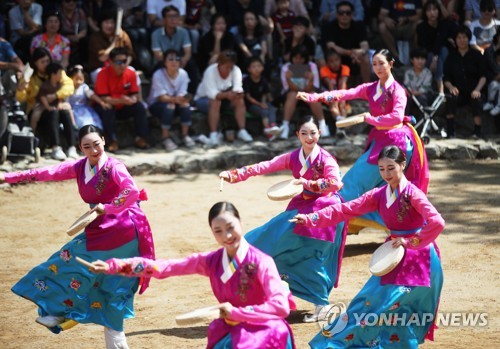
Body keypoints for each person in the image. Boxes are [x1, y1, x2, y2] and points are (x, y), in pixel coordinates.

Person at [0, 124, 155, 349]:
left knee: (67, 260)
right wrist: (9, 177)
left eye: (97, 144)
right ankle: (110, 340)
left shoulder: (114, 166)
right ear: (80, 148)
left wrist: (108, 207)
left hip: (123, 229)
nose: (93, 150)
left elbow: (130, 191)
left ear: (104, 141)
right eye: (87, 146)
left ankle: (56, 312)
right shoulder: (79, 167)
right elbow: (45, 173)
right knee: (109, 291)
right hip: (102, 228)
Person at [88, 201, 296, 349]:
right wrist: (114, 266)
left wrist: (236, 313)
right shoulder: (211, 261)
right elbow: (163, 267)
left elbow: (280, 307)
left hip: (265, 332)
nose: (227, 236)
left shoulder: (261, 261)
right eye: (218, 231)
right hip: (231, 330)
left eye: (231, 227)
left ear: (241, 223)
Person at [293, 145, 444, 348]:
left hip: (419, 259)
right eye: (382, 169)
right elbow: (347, 209)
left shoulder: (412, 194)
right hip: (394, 255)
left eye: (391, 168)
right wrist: (312, 218)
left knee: (386, 306)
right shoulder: (380, 194)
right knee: (372, 304)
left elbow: (437, 222)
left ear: (403, 164)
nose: (386, 174)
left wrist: (411, 242)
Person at [219, 115, 348, 322]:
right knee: (269, 241)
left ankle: (321, 305)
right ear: (297, 134)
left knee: (313, 256)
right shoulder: (293, 157)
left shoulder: (326, 159)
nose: (309, 137)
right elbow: (264, 166)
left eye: (313, 133)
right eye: (304, 133)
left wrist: (308, 184)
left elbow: (335, 184)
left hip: (324, 212)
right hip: (303, 208)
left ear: (320, 134)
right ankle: (274, 296)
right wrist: (234, 175)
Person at [297, 49, 429, 233]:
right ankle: (401, 227)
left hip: (396, 142)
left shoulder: (398, 90)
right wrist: (314, 97)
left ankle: (326, 226)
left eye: (381, 63)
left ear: (391, 64)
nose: (377, 68)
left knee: (354, 184)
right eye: (374, 64)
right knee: (382, 190)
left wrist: (370, 119)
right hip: (381, 140)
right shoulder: (371, 88)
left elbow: (397, 117)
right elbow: (344, 94)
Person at [16, 47, 76, 161]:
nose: (46, 64)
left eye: (47, 61)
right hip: (37, 109)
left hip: (57, 105)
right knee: (53, 113)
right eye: (42, 62)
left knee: (65, 112)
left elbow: (69, 86)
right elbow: (21, 98)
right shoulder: (30, 77)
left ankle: (71, 147)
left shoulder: (56, 71)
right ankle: (56, 148)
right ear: (35, 63)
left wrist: (55, 96)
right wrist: (22, 87)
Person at [93, 47, 150, 152]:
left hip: (123, 106)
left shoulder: (131, 73)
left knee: (139, 107)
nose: (122, 65)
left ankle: (140, 138)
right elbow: (104, 98)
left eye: (124, 61)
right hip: (105, 106)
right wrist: (122, 100)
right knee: (108, 109)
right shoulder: (102, 74)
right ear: (110, 62)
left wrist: (132, 100)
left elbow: (135, 94)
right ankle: (111, 141)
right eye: (119, 62)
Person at [194, 49, 254, 146]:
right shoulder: (210, 71)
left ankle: (242, 130)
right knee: (215, 101)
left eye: (230, 67)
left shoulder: (236, 70)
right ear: (219, 64)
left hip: (225, 99)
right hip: (204, 100)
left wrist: (238, 93)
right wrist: (226, 95)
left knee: (239, 100)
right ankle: (213, 134)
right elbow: (212, 94)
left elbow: (237, 86)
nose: (228, 69)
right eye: (226, 67)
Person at [443, 25, 487, 138]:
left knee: (476, 98)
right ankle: (450, 131)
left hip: (474, 89)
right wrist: (451, 87)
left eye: (464, 37)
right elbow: (446, 78)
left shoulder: (477, 55)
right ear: (455, 40)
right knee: (450, 97)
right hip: (458, 91)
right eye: (459, 38)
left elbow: (483, 76)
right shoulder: (451, 57)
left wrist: (477, 90)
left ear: (468, 39)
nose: (462, 40)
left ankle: (477, 132)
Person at [147, 49, 195, 151]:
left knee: (186, 105)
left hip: (175, 102)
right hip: (157, 104)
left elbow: (183, 93)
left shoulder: (183, 74)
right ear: (165, 62)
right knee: (170, 106)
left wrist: (183, 99)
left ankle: (185, 135)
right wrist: (177, 100)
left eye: (177, 59)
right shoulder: (158, 74)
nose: (174, 62)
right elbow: (162, 97)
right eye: (171, 59)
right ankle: (165, 138)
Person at [280, 44, 329, 139]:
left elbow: (313, 88)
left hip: (308, 93)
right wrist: (288, 79)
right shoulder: (286, 68)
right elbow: (289, 89)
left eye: (301, 58)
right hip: (292, 94)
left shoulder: (312, 66)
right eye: (295, 58)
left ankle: (322, 124)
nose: (298, 61)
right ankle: (285, 126)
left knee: (314, 96)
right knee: (292, 94)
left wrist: (310, 80)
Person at [321, 1, 371, 83]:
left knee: (365, 58)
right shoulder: (329, 27)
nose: (344, 15)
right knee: (329, 58)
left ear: (352, 14)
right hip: (338, 57)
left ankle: (367, 87)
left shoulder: (359, 26)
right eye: (341, 13)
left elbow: (365, 45)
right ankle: (331, 88)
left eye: (348, 13)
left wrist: (360, 52)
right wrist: (350, 53)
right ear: (337, 15)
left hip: (355, 57)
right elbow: (331, 46)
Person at [243, 57, 281, 140]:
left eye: (259, 66)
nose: (257, 69)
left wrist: (263, 103)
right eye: (254, 67)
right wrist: (260, 104)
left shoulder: (263, 80)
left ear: (262, 68)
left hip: (261, 103)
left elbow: (264, 94)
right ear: (249, 69)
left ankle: (273, 126)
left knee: (271, 108)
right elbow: (248, 97)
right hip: (251, 105)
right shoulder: (246, 81)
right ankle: (268, 131)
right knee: (264, 111)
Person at [36, 62, 76, 138]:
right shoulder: (45, 85)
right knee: (36, 116)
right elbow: (42, 97)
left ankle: (74, 126)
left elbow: (61, 96)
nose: (61, 76)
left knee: (67, 110)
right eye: (60, 73)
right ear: (53, 74)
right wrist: (47, 107)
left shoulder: (60, 84)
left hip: (57, 105)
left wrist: (59, 103)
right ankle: (33, 132)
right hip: (44, 106)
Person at [378, 0, 423, 65]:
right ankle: (396, 56)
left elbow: (420, 15)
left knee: (420, 24)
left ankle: (416, 54)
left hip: (409, 26)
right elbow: (381, 15)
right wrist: (386, 19)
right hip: (394, 26)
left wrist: (407, 19)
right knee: (382, 27)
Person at [68, 65, 107, 129]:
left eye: (81, 79)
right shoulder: (68, 88)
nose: (78, 81)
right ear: (71, 78)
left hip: (84, 109)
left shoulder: (84, 87)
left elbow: (91, 95)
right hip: (72, 111)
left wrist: (101, 102)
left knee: (90, 122)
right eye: (76, 79)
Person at [320, 49, 350, 132]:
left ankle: (342, 128)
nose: (335, 63)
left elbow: (343, 83)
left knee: (342, 106)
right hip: (330, 93)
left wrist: (343, 97)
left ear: (340, 59)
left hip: (342, 92)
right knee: (334, 106)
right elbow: (330, 85)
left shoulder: (345, 68)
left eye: (337, 60)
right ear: (327, 63)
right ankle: (339, 120)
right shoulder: (324, 70)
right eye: (331, 61)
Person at [404, 47, 434, 119]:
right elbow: (406, 86)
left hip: (425, 95)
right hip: (411, 95)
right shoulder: (408, 72)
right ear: (412, 60)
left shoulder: (428, 73)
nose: (420, 61)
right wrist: (409, 92)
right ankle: (405, 120)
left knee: (421, 98)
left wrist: (413, 93)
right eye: (417, 59)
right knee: (405, 98)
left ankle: (425, 121)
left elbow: (425, 88)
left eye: (422, 59)